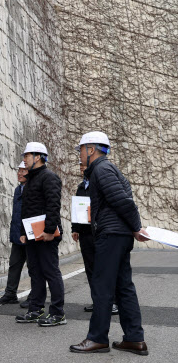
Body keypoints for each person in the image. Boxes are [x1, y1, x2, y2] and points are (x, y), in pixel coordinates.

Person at [69, 132, 149, 355]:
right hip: (119, 234)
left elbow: (123, 201)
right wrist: (131, 228)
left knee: (102, 287)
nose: (80, 155)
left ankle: (97, 338)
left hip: (112, 235)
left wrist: (136, 228)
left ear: (91, 150)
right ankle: (134, 339)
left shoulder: (102, 170)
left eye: (81, 150)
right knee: (123, 287)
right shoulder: (106, 169)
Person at [15, 142, 67, 327]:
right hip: (32, 234)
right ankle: (36, 309)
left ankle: (58, 313)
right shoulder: (31, 179)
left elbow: (53, 205)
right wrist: (23, 232)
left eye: (27, 155)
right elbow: (27, 209)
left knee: (50, 271)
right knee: (35, 272)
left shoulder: (49, 177)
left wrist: (49, 231)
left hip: (46, 234)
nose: (24, 159)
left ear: (38, 157)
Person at [72, 161, 119, 315]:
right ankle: (98, 300)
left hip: (99, 231)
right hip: (85, 232)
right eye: (80, 166)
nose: (81, 168)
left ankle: (112, 302)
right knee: (90, 268)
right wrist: (75, 229)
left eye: (84, 166)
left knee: (104, 268)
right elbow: (77, 209)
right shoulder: (81, 186)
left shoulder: (99, 182)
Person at [0, 161, 31, 308]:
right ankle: (10, 294)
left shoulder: (32, 188)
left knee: (33, 267)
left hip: (29, 234)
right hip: (17, 234)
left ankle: (34, 295)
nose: (20, 173)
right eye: (19, 170)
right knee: (14, 264)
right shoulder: (18, 189)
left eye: (23, 171)